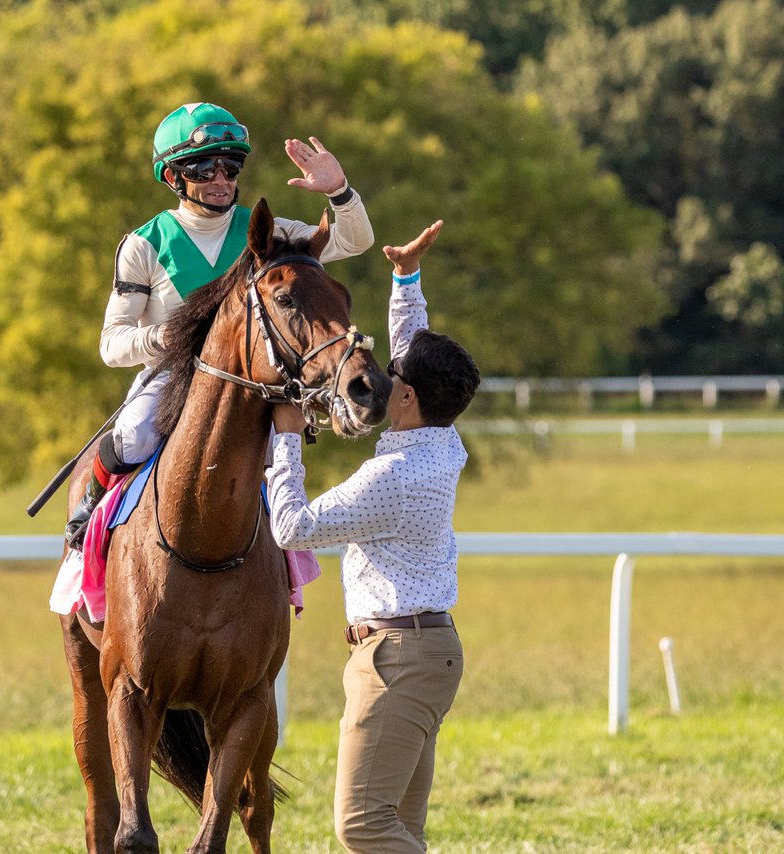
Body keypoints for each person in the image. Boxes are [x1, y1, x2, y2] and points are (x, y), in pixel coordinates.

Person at [65, 101, 375, 545]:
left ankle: (285, 559)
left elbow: (355, 240)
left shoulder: (269, 234)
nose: (221, 180)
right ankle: (90, 510)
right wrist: (173, 335)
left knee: (279, 456)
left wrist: (339, 190)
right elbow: (112, 345)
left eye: (231, 167)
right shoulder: (143, 244)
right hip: (174, 377)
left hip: (254, 382)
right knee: (133, 434)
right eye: (204, 168)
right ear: (173, 177)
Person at [265, 220, 480, 853]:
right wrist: (405, 276)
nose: (381, 376)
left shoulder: (393, 476)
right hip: (426, 650)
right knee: (399, 830)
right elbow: (413, 347)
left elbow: (292, 527)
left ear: (405, 396)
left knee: (363, 826)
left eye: (393, 376)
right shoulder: (439, 437)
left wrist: (284, 436)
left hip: (396, 661)